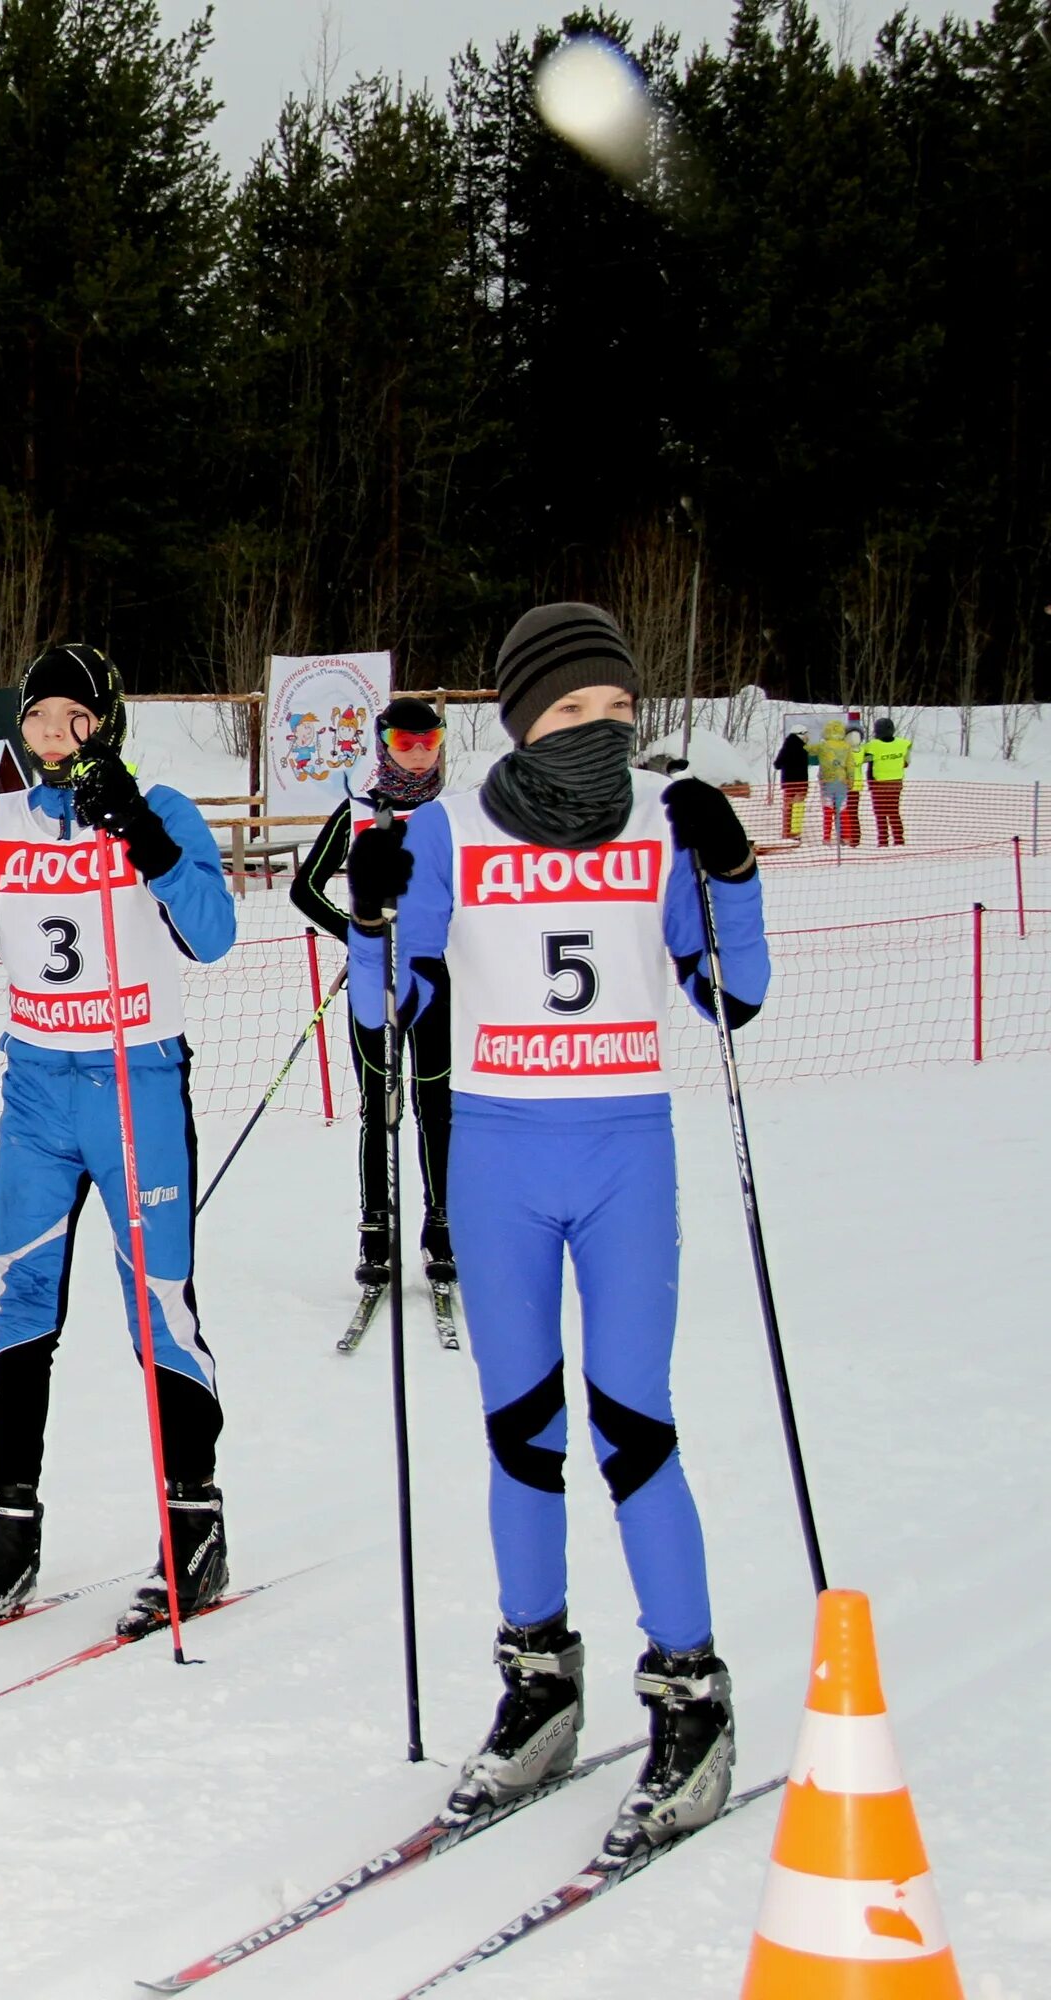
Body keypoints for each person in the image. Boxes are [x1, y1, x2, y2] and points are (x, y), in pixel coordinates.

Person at [345, 601, 769, 1863]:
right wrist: (372, 916)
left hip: (625, 1149)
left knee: (634, 1423)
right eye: (577, 709)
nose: (604, 730)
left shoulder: (663, 816)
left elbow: (730, 996)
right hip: (499, 1153)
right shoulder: (450, 828)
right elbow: (388, 1016)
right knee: (521, 1431)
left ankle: (689, 1692)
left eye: (621, 710)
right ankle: (540, 1678)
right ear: (524, 715)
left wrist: (731, 875)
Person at [0, 644, 238, 1645]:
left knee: (160, 1302)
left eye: (74, 717)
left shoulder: (158, 800)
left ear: (106, 724)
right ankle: (10, 1528)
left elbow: (212, 933)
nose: (51, 733)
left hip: (138, 1082)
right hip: (36, 1090)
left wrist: (146, 837)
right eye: (38, 716)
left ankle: (194, 1523)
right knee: (20, 1299)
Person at [292, 695, 454, 1294]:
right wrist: (360, 936)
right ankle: (375, 1230)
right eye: (405, 744)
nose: (417, 757)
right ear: (383, 745)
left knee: (436, 1103)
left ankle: (442, 1229)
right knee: (378, 1107)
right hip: (372, 981)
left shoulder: (454, 815)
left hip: (433, 977)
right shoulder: (359, 811)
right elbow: (306, 889)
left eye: (428, 744)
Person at [864, 717, 911, 845]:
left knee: (880, 815)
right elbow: (906, 763)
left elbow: (864, 760)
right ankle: (899, 840)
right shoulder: (903, 744)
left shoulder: (872, 746)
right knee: (894, 812)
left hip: (878, 785)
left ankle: (883, 841)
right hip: (896, 784)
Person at [813, 720, 861, 845]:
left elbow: (823, 765)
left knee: (828, 811)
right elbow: (850, 765)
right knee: (843, 811)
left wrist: (820, 778)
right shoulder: (846, 747)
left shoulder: (824, 746)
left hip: (827, 783)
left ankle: (826, 838)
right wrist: (851, 779)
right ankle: (847, 837)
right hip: (841, 782)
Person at [771, 730, 813, 841]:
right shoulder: (804, 749)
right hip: (802, 784)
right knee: (798, 810)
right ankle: (795, 834)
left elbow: (777, 765)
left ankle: (786, 833)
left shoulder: (786, 748)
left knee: (788, 809)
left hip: (788, 783)